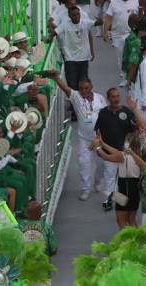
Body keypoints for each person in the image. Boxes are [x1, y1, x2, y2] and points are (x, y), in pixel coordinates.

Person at [50, 72, 106, 201]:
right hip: (84, 139)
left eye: (86, 88)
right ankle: (85, 189)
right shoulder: (76, 97)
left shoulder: (100, 98)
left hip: (98, 140)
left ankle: (98, 181)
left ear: (91, 86)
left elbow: (105, 116)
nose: (84, 91)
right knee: (83, 163)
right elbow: (65, 88)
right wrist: (57, 78)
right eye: (81, 88)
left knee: (101, 163)